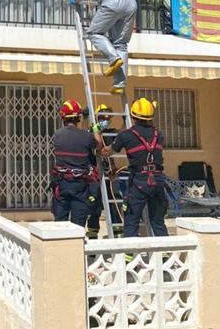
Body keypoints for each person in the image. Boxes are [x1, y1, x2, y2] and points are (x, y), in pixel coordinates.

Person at [101, 97, 168, 238]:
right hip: (158, 181)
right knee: (158, 222)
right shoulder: (159, 135)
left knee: (131, 222)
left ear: (132, 115)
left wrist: (95, 137)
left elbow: (107, 152)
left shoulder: (126, 135)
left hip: (139, 183)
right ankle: (166, 255)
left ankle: (129, 257)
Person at [70, 0, 137, 96]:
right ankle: (119, 84)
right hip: (130, 4)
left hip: (112, 2)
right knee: (121, 44)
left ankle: (113, 58)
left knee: (94, 33)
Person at [50, 99, 101, 233]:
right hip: (80, 186)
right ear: (78, 118)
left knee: (59, 225)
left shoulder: (57, 135)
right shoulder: (87, 137)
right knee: (77, 227)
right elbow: (98, 144)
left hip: (61, 184)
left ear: (63, 117)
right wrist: (95, 128)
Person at [86, 104, 124, 238]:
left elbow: (122, 133)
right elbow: (97, 147)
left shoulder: (110, 132)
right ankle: (92, 233)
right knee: (94, 204)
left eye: (108, 118)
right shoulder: (91, 132)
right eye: (103, 117)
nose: (106, 120)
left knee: (115, 201)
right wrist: (96, 131)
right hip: (95, 173)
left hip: (110, 173)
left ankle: (118, 231)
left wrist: (126, 119)